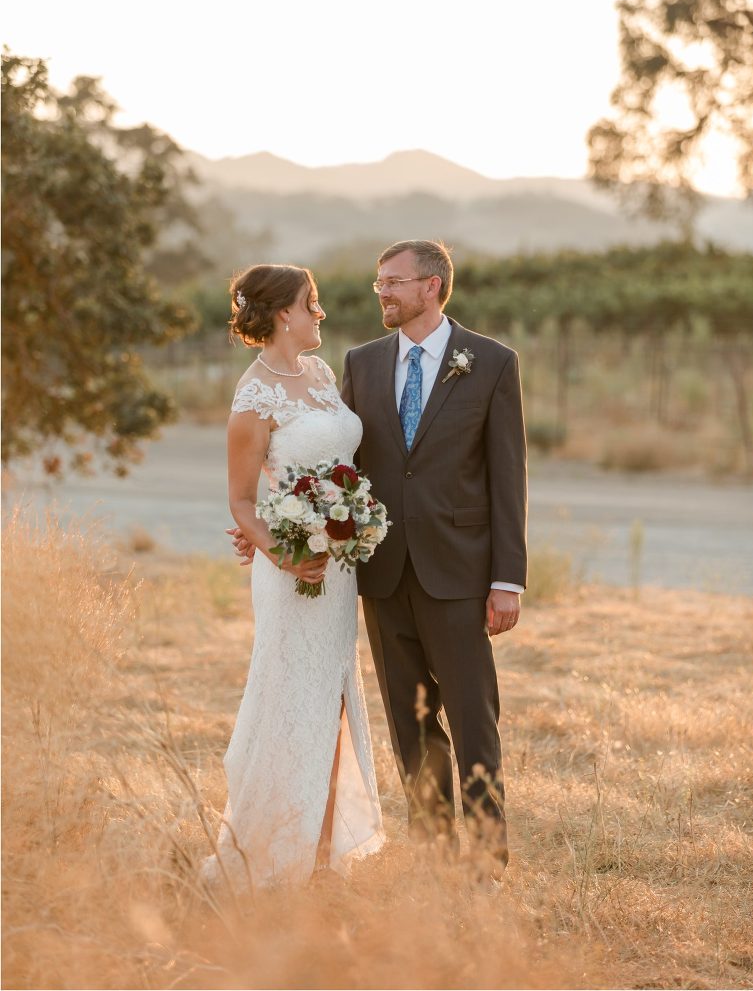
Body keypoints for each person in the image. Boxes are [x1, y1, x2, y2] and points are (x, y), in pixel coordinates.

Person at [340, 240, 527, 877]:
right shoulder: (361, 362)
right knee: (409, 718)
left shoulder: (493, 363)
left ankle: (486, 857)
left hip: (461, 572)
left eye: (393, 282)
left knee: (474, 716)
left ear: (432, 286)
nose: (382, 292)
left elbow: (507, 477)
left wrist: (507, 579)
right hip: (384, 570)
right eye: (379, 282)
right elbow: (344, 467)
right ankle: (433, 855)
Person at [201, 263, 385, 892]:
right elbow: (241, 500)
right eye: (312, 303)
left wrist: (348, 519)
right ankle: (274, 852)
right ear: (284, 313)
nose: (320, 313)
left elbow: (333, 467)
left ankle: (322, 853)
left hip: (337, 570)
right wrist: (281, 550)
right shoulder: (254, 396)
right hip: (293, 571)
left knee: (333, 703)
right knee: (291, 703)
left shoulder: (322, 374)